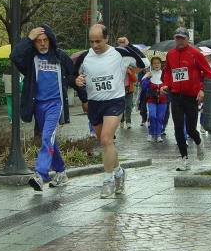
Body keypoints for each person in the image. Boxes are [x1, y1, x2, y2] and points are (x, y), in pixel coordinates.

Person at [68, 24, 149, 198]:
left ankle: (108, 180)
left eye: (98, 41)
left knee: (106, 139)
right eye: (91, 42)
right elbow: (71, 76)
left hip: (115, 101)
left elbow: (144, 63)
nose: (95, 45)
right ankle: (119, 172)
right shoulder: (85, 57)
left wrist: (129, 46)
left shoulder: (119, 53)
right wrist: (77, 82)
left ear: (106, 38)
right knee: (106, 143)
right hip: (95, 104)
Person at [10, 24, 88, 192]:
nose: (43, 44)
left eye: (45, 40)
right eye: (38, 41)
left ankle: (40, 174)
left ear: (51, 41)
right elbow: (15, 56)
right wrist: (28, 38)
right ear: (34, 43)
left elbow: (73, 76)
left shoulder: (60, 56)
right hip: (38, 106)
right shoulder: (30, 59)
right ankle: (61, 172)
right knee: (49, 138)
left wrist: (84, 98)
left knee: (46, 138)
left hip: (55, 104)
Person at [160, 27, 211, 171]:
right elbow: (168, 73)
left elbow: (209, 73)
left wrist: (202, 90)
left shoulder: (195, 53)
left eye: (183, 38)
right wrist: (165, 85)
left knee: (190, 129)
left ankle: (198, 142)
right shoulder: (170, 54)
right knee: (178, 128)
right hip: (176, 95)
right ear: (174, 39)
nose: (180, 40)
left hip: (191, 96)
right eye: (178, 37)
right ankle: (184, 159)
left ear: (188, 39)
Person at [140, 56, 168, 143]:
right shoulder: (148, 74)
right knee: (152, 116)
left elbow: (170, 85)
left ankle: (158, 135)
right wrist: (148, 78)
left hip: (163, 100)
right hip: (151, 99)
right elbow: (143, 86)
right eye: (154, 63)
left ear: (161, 64)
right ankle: (151, 133)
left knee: (160, 117)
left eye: (158, 63)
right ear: (152, 65)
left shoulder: (165, 74)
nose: (156, 65)